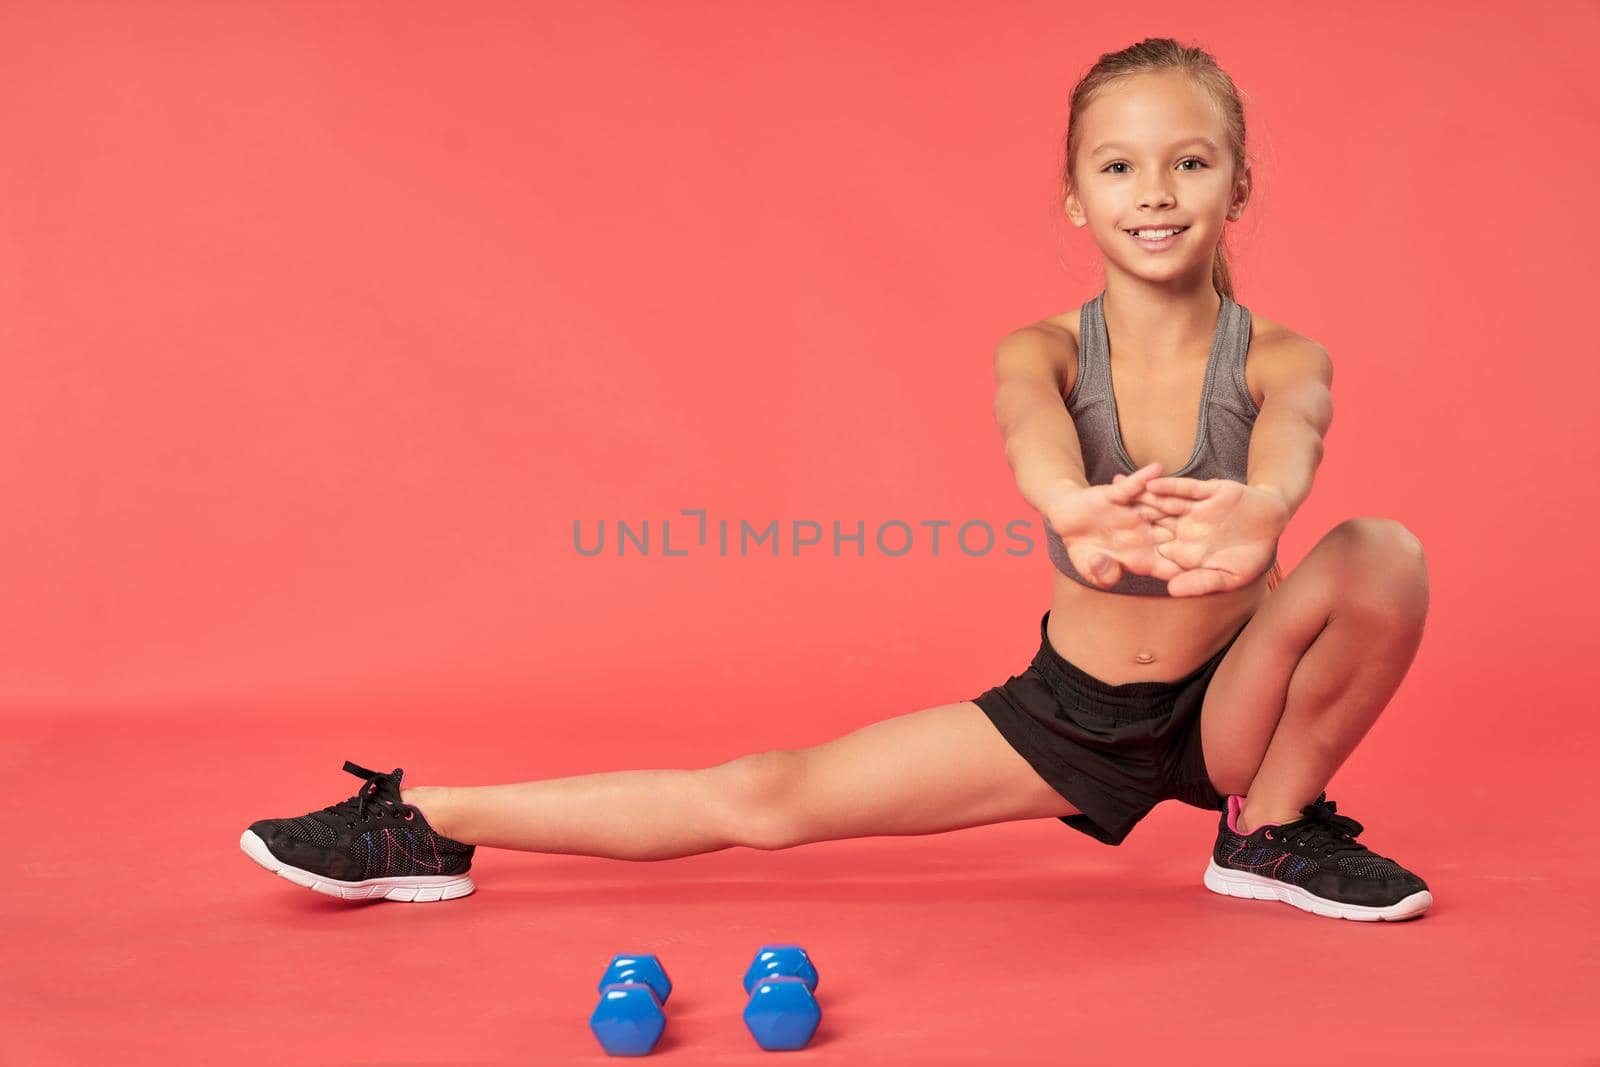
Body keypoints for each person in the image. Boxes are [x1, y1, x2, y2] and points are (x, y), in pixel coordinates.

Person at [240, 37, 1432, 922]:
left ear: (1239, 186)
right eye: (1120, 165)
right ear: (1077, 196)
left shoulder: (1278, 355)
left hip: (1240, 703)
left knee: (1380, 549)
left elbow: (1293, 440)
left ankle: (1268, 825)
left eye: (1190, 161)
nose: (1156, 190)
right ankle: (428, 818)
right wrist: (1070, 504)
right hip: (1078, 714)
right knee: (766, 792)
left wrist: (1263, 511)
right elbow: (1030, 430)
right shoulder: (1048, 349)